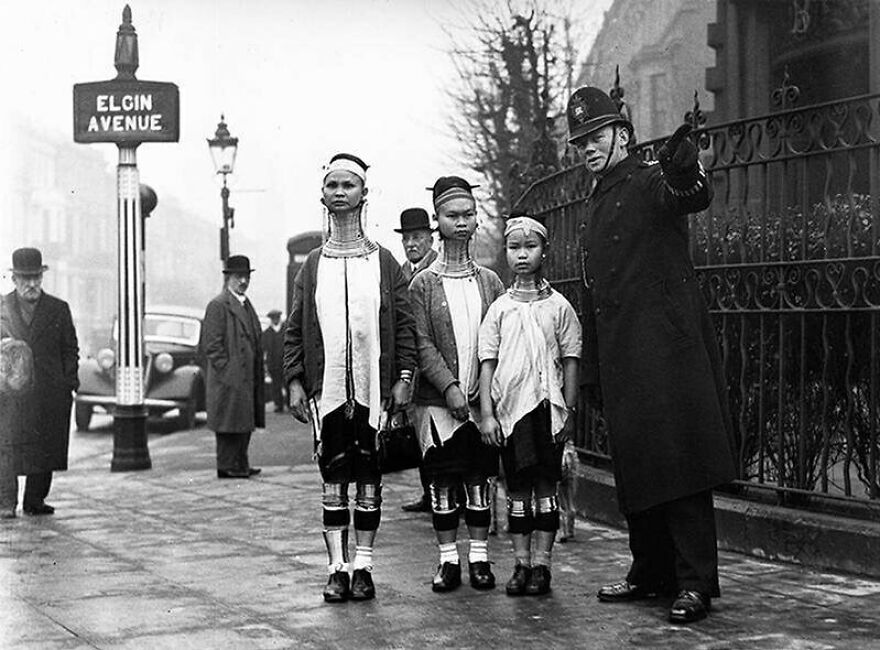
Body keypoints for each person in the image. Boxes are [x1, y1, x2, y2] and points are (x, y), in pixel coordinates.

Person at [567, 85, 736, 623]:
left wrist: (688, 168)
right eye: (579, 142)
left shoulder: (650, 180)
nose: (588, 148)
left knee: (680, 463)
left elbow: (688, 194)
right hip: (622, 358)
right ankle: (650, 571)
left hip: (667, 354)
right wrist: (592, 368)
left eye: (595, 136)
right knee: (638, 465)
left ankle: (695, 582)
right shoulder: (594, 201)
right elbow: (594, 294)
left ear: (622, 132)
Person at [283, 153, 417, 603]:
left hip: (374, 391)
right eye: (333, 185)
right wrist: (296, 380)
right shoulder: (313, 265)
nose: (340, 192)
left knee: (369, 479)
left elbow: (404, 325)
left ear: (364, 194)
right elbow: (295, 328)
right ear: (322, 194)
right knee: (334, 479)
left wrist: (403, 377)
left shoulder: (383, 262)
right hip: (330, 391)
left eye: (349, 185)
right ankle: (336, 569)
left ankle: (364, 567)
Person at [409, 176, 505, 592]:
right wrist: (448, 387)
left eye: (468, 215)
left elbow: (496, 339)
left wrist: (482, 398)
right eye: (452, 216)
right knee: (444, 481)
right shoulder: (423, 284)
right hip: (438, 403)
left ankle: (480, 559)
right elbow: (422, 342)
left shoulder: (490, 282)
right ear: (438, 221)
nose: (462, 223)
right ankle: (448, 561)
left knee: (478, 478)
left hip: (480, 401)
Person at [478, 216, 581, 597]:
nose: (522, 255)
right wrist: (488, 414)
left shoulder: (559, 307)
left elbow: (571, 358)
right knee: (517, 489)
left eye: (530, 247)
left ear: (544, 251)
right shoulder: (500, 309)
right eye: (514, 248)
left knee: (546, 487)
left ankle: (543, 565)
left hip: (548, 410)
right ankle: (520, 564)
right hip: (512, 413)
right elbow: (487, 362)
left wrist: (568, 410)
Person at [0, 247, 79, 517]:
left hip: (49, 392)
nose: (31, 284)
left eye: (36, 277)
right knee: (7, 446)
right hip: (11, 395)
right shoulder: (1, 308)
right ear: (14, 279)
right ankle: (5, 504)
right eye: (25, 279)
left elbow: (70, 348)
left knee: (45, 447)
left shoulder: (58, 309)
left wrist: (68, 381)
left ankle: (35, 501)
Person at [202, 255, 265, 480]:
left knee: (243, 423)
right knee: (229, 423)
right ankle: (228, 466)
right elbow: (212, 346)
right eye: (239, 277)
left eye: (246, 277)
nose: (243, 281)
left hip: (245, 376)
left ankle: (240, 463)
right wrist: (228, 371)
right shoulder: (218, 305)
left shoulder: (245, 304)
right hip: (229, 379)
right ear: (228, 278)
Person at [395, 206, 438, 514]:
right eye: (407, 238)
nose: (411, 244)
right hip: (411, 366)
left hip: (434, 362)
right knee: (419, 431)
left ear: (429, 239)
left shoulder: (439, 267)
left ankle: (453, 496)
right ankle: (429, 493)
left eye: (418, 237)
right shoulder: (400, 273)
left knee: (442, 432)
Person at [262, 309, 285, 413]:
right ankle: (278, 405)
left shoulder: (286, 331)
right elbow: (264, 350)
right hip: (273, 364)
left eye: (277, 318)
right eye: (273, 318)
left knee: (288, 383)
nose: (275, 320)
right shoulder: (267, 333)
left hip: (285, 363)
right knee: (276, 385)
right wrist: (265, 365)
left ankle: (290, 404)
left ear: (279, 318)